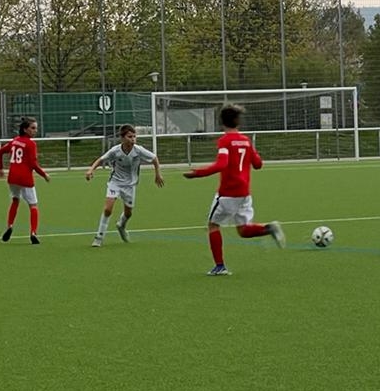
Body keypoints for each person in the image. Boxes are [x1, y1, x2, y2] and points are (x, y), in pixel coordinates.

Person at [182, 104, 285, 275]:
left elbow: (221, 164)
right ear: (238, 121)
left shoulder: (224, 141)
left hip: (228, 193)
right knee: (243, 230)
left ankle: (220, 266)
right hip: (244, 193)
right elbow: (258, 164)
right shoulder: (246, 140)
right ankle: (269, 228)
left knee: (213, 225)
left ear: (221, 122)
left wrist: (197, 173)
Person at [84, 124, 164, 247]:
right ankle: (99, 237)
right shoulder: (115, 151)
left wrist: (158, 174)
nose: (133, 139)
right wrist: (91, 170)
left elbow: (154, 159)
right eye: (130, 137)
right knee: (107, 209)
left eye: (134, 136)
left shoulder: (138, 150)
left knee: (128, 213)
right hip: (115, 182)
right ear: (122, 138)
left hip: (130, 185)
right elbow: (101, 160)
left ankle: (121, 225)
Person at [0, 117, 50, 244]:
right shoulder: (31, 144)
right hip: (25, 178)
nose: (35, 130)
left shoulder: (14, 141)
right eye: (33, 128)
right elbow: (33, 164)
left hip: (13, 177)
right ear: (25, 129)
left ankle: (9, 226)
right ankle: (33, 232)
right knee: (33, 205)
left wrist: (0, 169)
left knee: (15, 200)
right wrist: (44, 175)